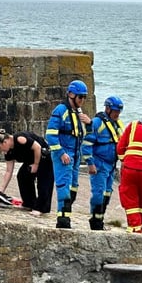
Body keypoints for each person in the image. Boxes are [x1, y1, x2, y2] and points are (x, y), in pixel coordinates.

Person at [46, 79, 92, 229]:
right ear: (71, 95)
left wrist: (89, 123)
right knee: (64, 187)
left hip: (76, 156)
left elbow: (84, 135)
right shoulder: (61, 110)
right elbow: (51, 135)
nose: (83, 100)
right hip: (64, 155)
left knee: (73, 188)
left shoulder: (78, 113)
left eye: (85, 97)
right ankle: (63, 220)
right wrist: (61, 153)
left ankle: (67, 213)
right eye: (80, 97)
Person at [81, 95, 125, 231]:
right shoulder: (97, 123)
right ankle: (95, 221)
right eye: (115, 111)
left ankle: (101, 218)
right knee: (98, 193)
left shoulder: (117, 124)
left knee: (107, 192)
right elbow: (87, 144)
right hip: (99, 163)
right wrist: (90, 163)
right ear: (107, 109)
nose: (117, 114)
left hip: (111, 165)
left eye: (119, 111)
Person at [0, 129, 54, 216]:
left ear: (5, 142)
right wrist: (1, 191)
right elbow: (8, 171)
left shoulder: (20, 139)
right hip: (30, 159)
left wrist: (36, 165)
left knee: (44, 181)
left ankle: (41, 208)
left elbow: (37, 147)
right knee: (22, 176)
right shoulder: (8, 152)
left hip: (43, 155)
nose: (0, 151)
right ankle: (29, 203)